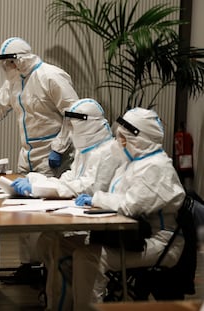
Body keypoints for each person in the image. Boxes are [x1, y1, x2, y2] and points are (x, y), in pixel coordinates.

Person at [0, 37, 79, 283]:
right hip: (27, 153)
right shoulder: (15, 80)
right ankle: (29, 265)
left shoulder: (51, 76)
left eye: (9, 63)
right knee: (22, 210)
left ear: (20, 59)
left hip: (52, 154)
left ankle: (49, 267)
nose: (6, 68)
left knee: (45, 213)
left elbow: (74, 114)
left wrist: (59, 147)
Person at [10, 98, 126, 310]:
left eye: (76, 124)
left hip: (104, 229)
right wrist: (37, 181)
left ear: (89, 124)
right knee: (48, 241)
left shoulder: (108, 151)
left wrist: (40, 188)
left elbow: (88, 187)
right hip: (85, 220)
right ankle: (59, 301)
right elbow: (71, 178)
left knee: (60, 248)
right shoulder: (86, 150)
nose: (73, 130)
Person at [71, 108, 185, 311]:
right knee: (68, 246)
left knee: (87, 257)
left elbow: (130, 206)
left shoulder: (156, 167)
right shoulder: (134, 163)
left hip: (158, 242)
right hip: (132, 236)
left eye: (123, 138)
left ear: (139, 139)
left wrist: (97, 199)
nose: (119, 143)